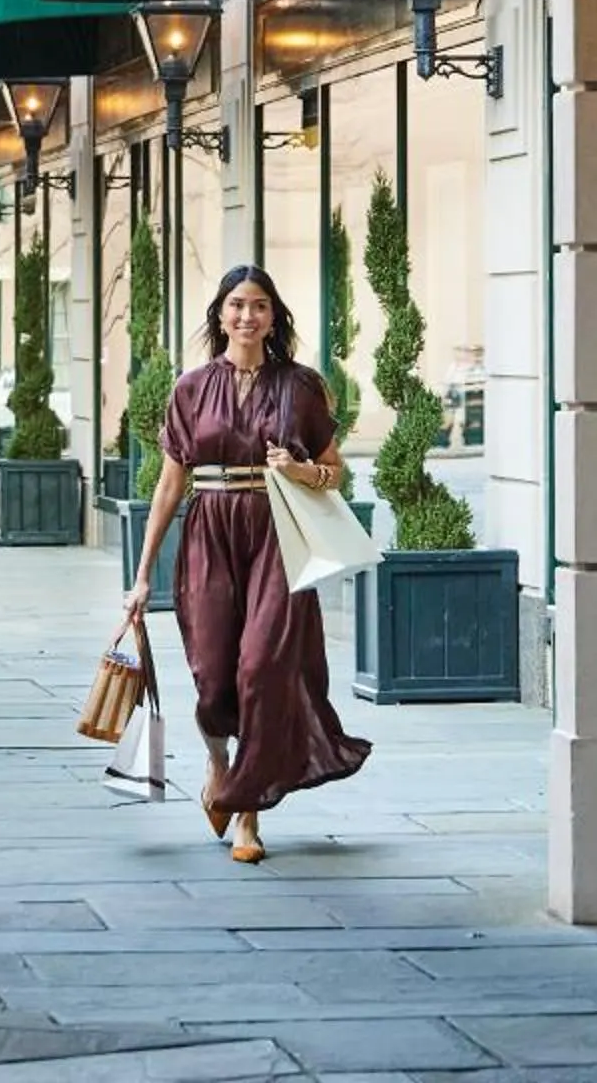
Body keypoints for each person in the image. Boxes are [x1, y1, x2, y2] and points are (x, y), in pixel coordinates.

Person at [124, 264, 370, 864]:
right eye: (236, 304)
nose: (247, 316)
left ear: (273, 317)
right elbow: (167, 486)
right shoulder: (191, 389)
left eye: (259, 305)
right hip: (209, 533)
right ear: (220, 314)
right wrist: (139, 576)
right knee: (212, 678)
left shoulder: (302, 386)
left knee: (260, 671)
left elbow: (335, 471)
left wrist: (299, 470)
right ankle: (218, 767)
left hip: (278, 536)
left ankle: (248, 817)